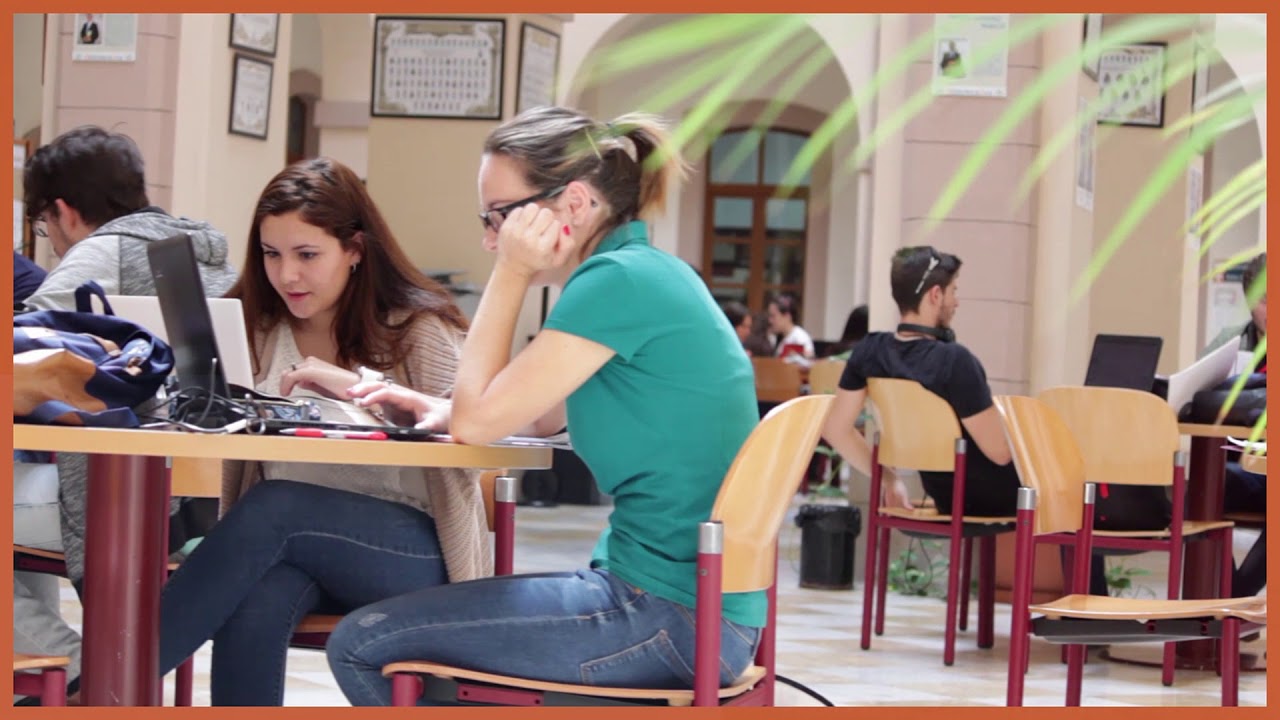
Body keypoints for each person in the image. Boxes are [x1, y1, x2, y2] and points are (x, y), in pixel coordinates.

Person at [323, 106, 762, 705]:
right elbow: (539, 415)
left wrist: (509, 270)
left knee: (362, 640)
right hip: (693, 610)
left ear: (574, 204)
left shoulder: (616, 283)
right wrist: (439, 408)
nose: (490, 237)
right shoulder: (643, 274)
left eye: (498, 217)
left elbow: (482, 421)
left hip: (663, 614)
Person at [149, 157, 490, 706]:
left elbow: (475, 432)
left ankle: (102, 690)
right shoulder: (255, 327)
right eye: (272, 254)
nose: (287, 275)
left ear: (355, 249)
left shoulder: (417, 327)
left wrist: (359, 389)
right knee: (255, 595)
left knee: (277, 506)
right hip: (293, 547)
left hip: (411, 552)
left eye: (307, 255)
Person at [14, 125, 238, 703]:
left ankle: (73, 671)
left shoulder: (103, 251)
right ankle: (37, 686)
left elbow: (26, 352)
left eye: (44, 226)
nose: (51, 242)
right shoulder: (202, 249)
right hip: (201, 502)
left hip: (117, 497)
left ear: (62, 211)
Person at [820, 246, 1018, 515]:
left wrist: (888, 478)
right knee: (1064, 496)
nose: (956, 302)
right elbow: (1000, 453)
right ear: (935, 294)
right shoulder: (955, 361)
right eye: (953, 291)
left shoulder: (870, 351)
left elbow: (835, 429)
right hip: (991, 498)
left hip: (946, 497)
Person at [1203, 252, 1266, 598]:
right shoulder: (1229, 342)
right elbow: (1195, 396)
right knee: (1201, 489)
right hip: (1239, 464)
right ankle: (1222, 608)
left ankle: (1233, 603)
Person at [767, 291, 815, 362]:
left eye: (773, 316)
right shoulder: (776, 337)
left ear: (787, 316)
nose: (770, 321)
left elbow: (808, 362)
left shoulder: (800, 337)